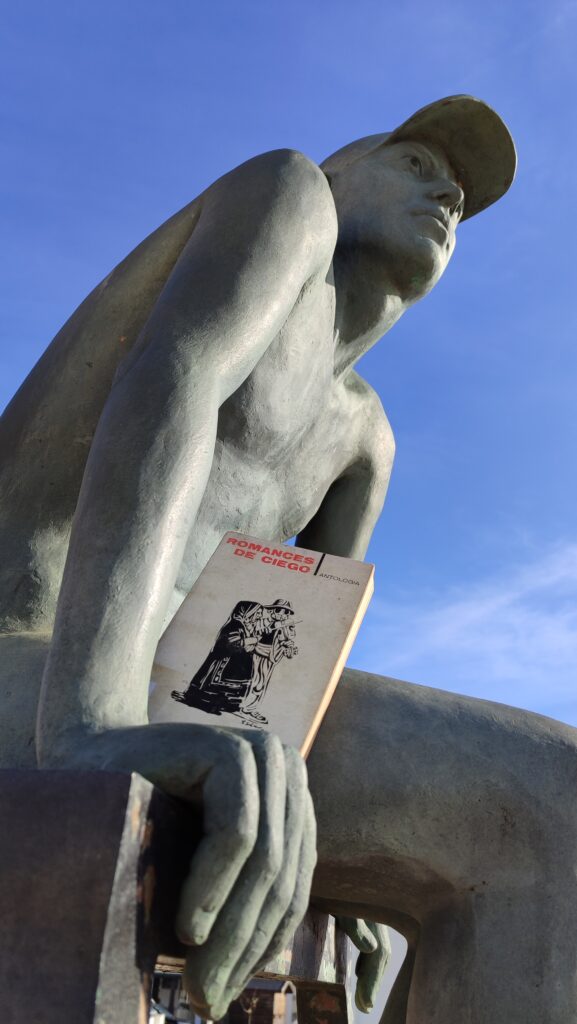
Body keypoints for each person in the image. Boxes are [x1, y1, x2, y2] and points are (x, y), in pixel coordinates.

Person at [8, 95, 569, 1023]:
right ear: (343, 174)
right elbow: (172, 383)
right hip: (36, 656)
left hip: (170, 697)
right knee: (549, 802)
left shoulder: (363, 437)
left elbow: (294, 666)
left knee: (547, 804)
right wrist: (87, 727)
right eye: (415, 164)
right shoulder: (290, 190)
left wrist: (353, 863)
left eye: (459, 199)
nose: (446, 197)